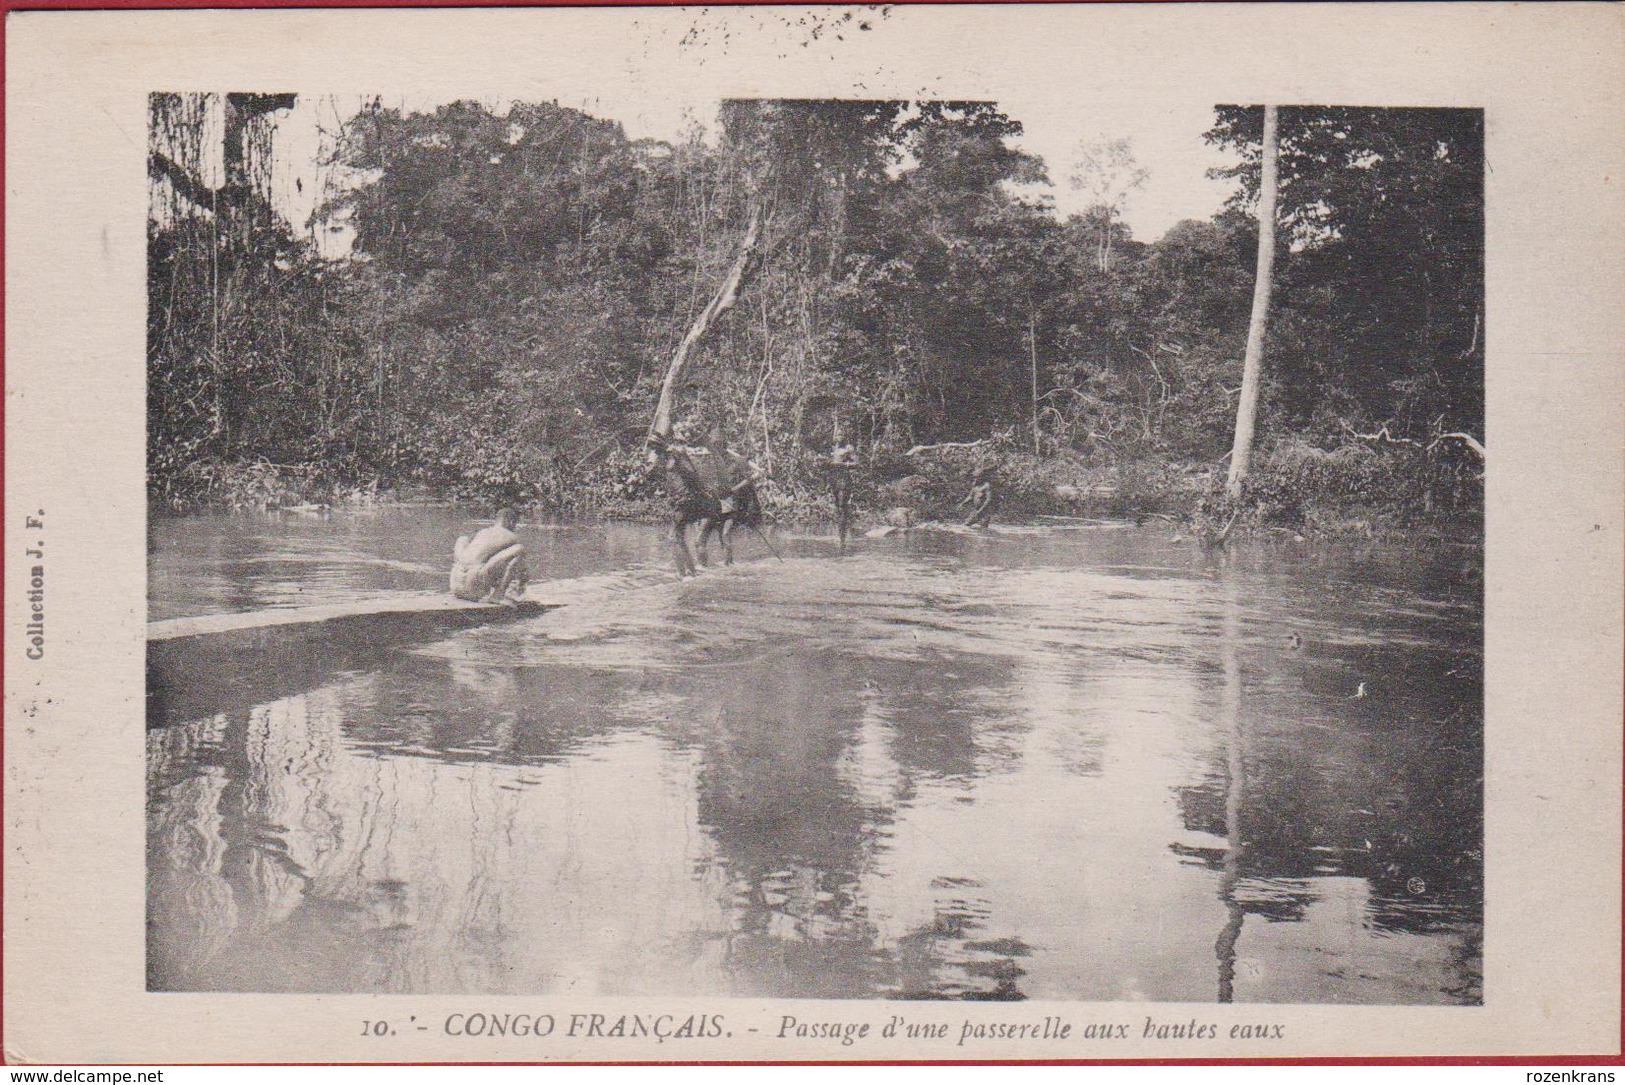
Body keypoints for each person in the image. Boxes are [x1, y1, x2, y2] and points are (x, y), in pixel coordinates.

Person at [450, 506, 529, 605]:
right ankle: (498, 595)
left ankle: (463, 577)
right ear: (511, 522)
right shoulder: (511, 536)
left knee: (462, 539)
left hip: (455, 586)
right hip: (474, 589)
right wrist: (521, 587)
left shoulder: (482, 532)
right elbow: (521, 570)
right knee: (519, 548)